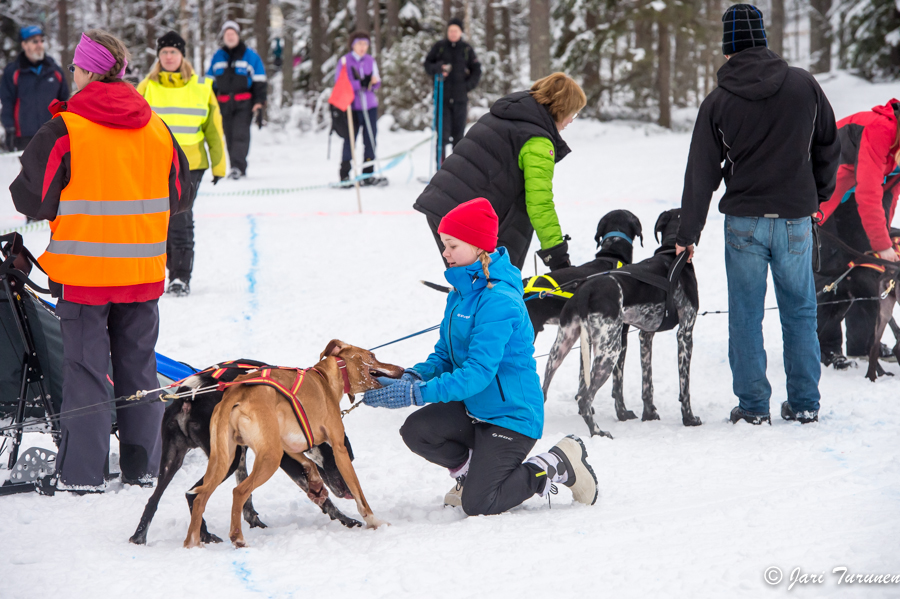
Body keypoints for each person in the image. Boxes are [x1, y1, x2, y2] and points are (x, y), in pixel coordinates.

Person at [10, 30, 191, 493]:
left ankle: (82, 476)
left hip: (85, 276)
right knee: (139, 371)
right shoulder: (157, 127)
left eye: (74, 68)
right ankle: (144, 467)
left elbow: (29, 199)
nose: (70, 75)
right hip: (143, 275)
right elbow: (180, 195)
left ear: (88, 70)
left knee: (88, 374)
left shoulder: (64, 131)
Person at [361, 198, 598, 515]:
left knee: (480, 503)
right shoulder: (461, 292)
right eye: (444, 244)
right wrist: (413, 377)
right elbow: (445, 356)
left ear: (477, 246)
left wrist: (417, 393)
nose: (445, 252)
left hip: (511, 416)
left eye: (452, 245)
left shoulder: (499, 301)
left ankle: (557, 462)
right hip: (475, 407)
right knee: (417, 431)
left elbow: (476, 374)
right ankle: (472, 474)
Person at [675, 5, 840, 425]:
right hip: (794, 220)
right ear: (763, 40)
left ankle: (752, 408)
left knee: (746, 314)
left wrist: (687, 233)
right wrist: (817, 196)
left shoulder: (718, 101)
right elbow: (828, 144)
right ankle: (804, 403)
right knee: (800, 311)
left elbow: (701, 173)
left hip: (745, 222)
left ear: (729, 48)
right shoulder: (804, 85)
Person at [414, 72, 585, 271]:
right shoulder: (537, 140)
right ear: (561, 108)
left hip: (441, 207)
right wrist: (557, 257)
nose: (571, 120)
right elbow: (539, 203)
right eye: (573, 112)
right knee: (494, 290)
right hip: (463, 220)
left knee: (473, 287)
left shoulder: (503, 115)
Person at [138, 30, 226, 297]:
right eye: (164, 52)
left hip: (191, 164)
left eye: (173, 52)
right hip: (156, 162)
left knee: (180, 217)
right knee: (161, 218)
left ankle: (180, 277)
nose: (168, 56)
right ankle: (165, 272)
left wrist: (219, 165)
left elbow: (214, 129)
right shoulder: (146, 87)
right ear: (158, 56)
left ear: (182, 55)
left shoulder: (202, 87)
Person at [815, 100, 900, 369]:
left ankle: (863, 343)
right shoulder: (880, 128)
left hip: (858, 197)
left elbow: (890, 194)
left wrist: (882, 241)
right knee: (830, 266)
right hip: (825, 192)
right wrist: (881, 243)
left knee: (870, 265)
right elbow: (868, 191)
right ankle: (826, 346)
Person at [206, 20, 266, 179]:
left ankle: (238, 167)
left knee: (241, 134)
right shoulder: (218, 56)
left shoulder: (250, 55)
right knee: (229, 135)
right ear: (223, 37)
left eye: (233, 34)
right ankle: (235, 165)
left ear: (238, 36)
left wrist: (259, 102)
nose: (230, 37)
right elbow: (209, 83)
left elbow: (259, 80)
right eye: (227, 34)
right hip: (223, 104)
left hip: (243, 102)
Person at [1, 25, 69, 152]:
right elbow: (7, 103)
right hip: (25, 136)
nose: (39, 44)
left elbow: (64, 101)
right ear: (24, 45)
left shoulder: (55, 70)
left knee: (54, 171)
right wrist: (9, 128)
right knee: (30, 172)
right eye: (34, 41)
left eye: (41, 41)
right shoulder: (13, 72)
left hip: (52, 133)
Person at [423, 17, 482, 162]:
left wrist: (467, 86)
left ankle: (457, 171)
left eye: (456, 30)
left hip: (460, 99)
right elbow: (427, 65)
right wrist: (438, 68)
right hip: (442, 97)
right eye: (450, 30)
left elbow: (477, 70)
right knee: (442, 135)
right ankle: (440, 169)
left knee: (459, 137)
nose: (453, 33)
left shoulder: (467, 49)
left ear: (460, 32)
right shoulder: (439, 47)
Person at [336, 31, 386, 186]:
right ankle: (345, 174)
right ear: (353, 45)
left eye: (365, 44)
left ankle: (368, 173)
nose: (363, 47)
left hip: (369, 105)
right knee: (350, 140)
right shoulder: (345, 61)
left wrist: (373, 82)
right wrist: (359, 84)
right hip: (352, 107)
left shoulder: (370, 60)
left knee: (370, 139)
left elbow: (376, 81)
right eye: (359, 43)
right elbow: (340, 83)